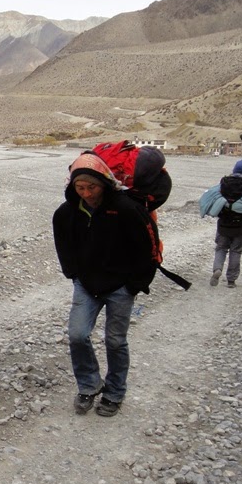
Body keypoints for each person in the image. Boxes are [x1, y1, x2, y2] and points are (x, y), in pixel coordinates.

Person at [52, 153, 157, 417]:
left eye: (92, 187)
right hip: (87, 284)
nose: (86, 193)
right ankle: (89, 385)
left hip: (121, 285)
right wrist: (73, 274)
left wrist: (136, 283)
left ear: (105, 183)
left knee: (115, 340)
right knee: (77, 335)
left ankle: (114, 392)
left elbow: (147, 247)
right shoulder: (66, 213)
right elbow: (63, 246)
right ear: (72, 187)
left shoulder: (125, 208)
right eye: (80, 187)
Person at [207, 158, 242, 288]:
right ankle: (231, 281)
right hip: (241, 226)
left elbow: (216, 199)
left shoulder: (224, 183)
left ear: (234, 170)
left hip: (223, 224)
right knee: (236, 251)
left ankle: (217, 269)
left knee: (221, 248)